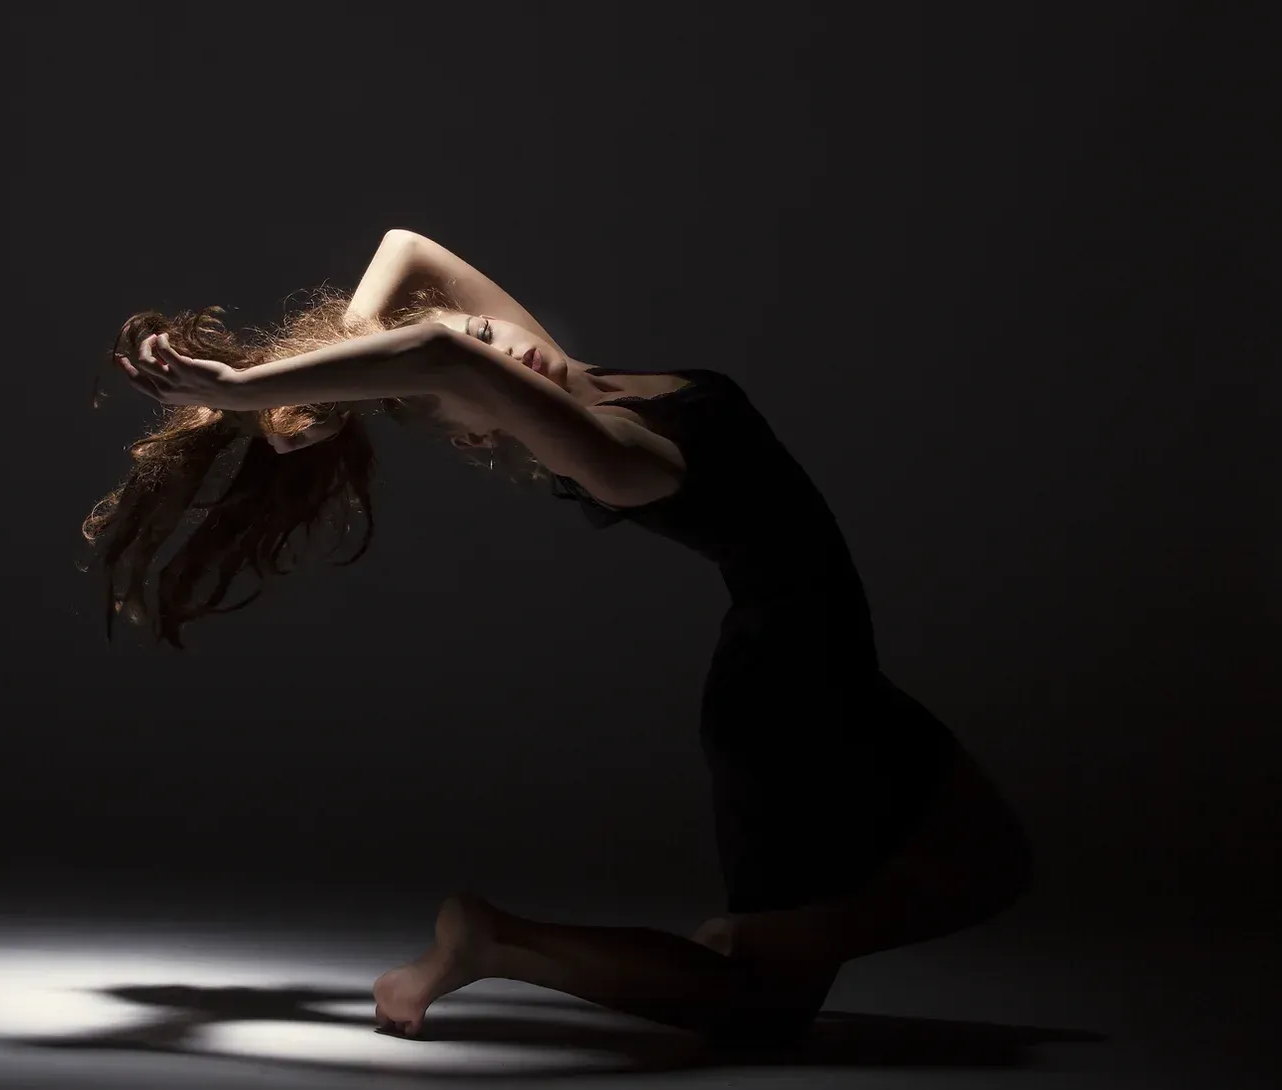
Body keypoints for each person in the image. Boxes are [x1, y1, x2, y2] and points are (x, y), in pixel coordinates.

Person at [90, 228, 1033, 1046]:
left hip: (822, 666)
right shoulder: (612, 458)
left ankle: (712, 946)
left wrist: (348, 369)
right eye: (487, 380)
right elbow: (443, 353)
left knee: (981, 867)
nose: (503, 350)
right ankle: (493, 942)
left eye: (485, 332)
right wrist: (250, 390)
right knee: (765, 1008)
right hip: (790, 704)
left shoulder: (566, 368)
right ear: (481, 432)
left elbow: (408, 249)